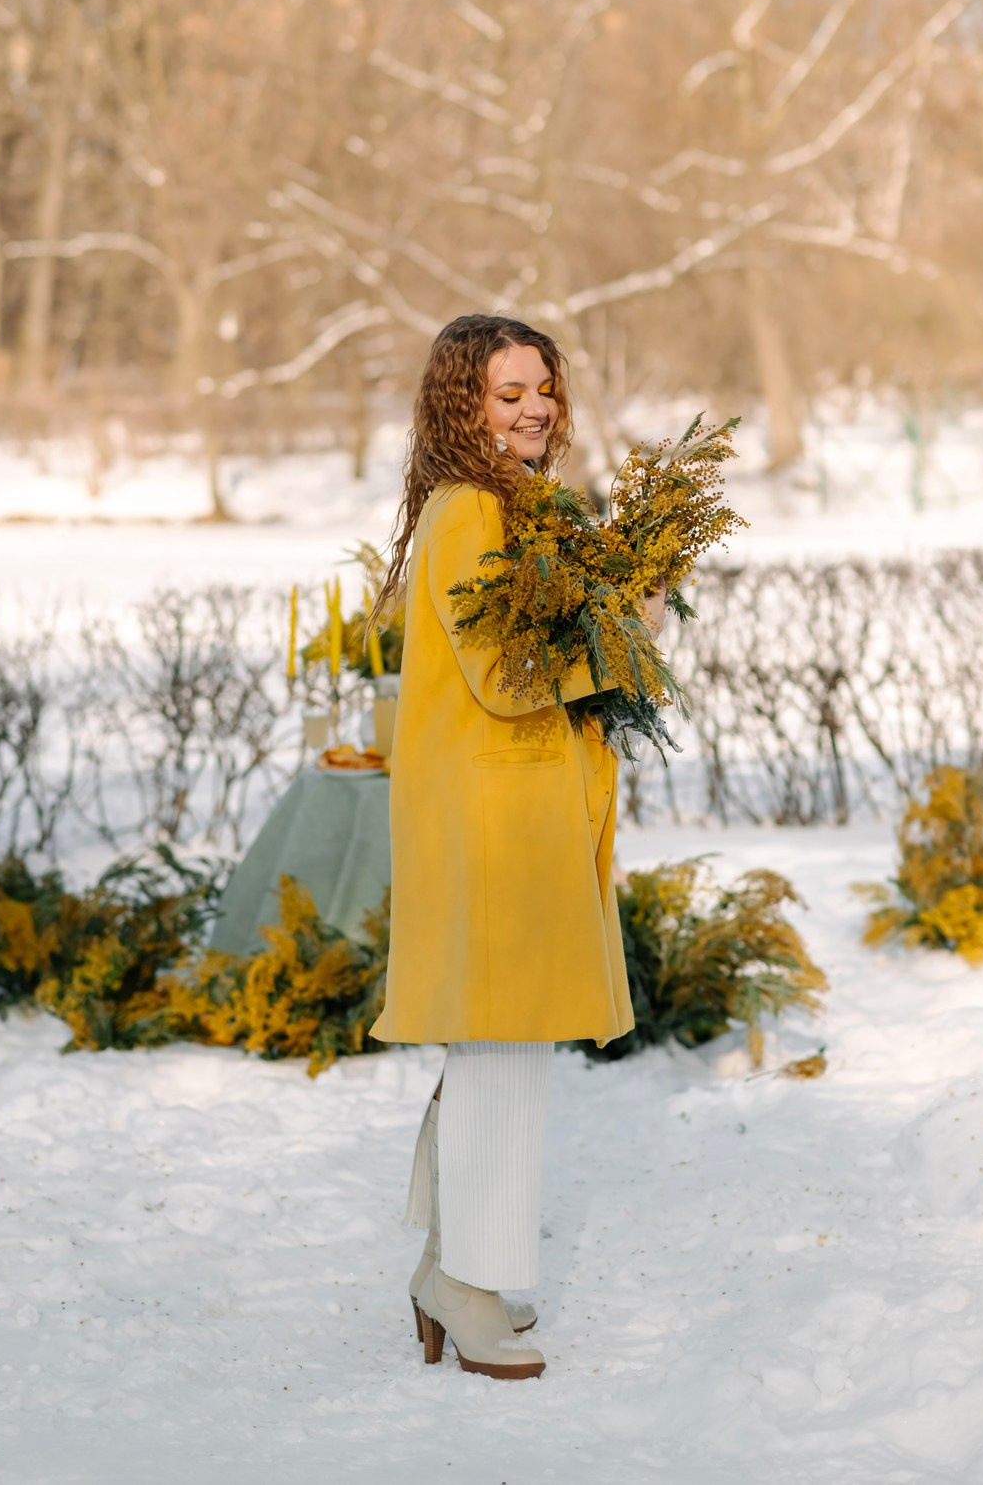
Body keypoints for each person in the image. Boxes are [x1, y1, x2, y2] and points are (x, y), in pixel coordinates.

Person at [370, 313, 648, 1381]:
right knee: (497, 1048)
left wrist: (623, 606)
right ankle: (468, 1285)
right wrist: (618, 638)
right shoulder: (469, 510)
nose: (532, 407)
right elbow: (503, 672)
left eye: (541, 387)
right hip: (488, 824)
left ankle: (455, 1267)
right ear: (462, 405)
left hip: (513, 814)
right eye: (507, 392)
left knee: (505, 1049)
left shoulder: (514, 503)